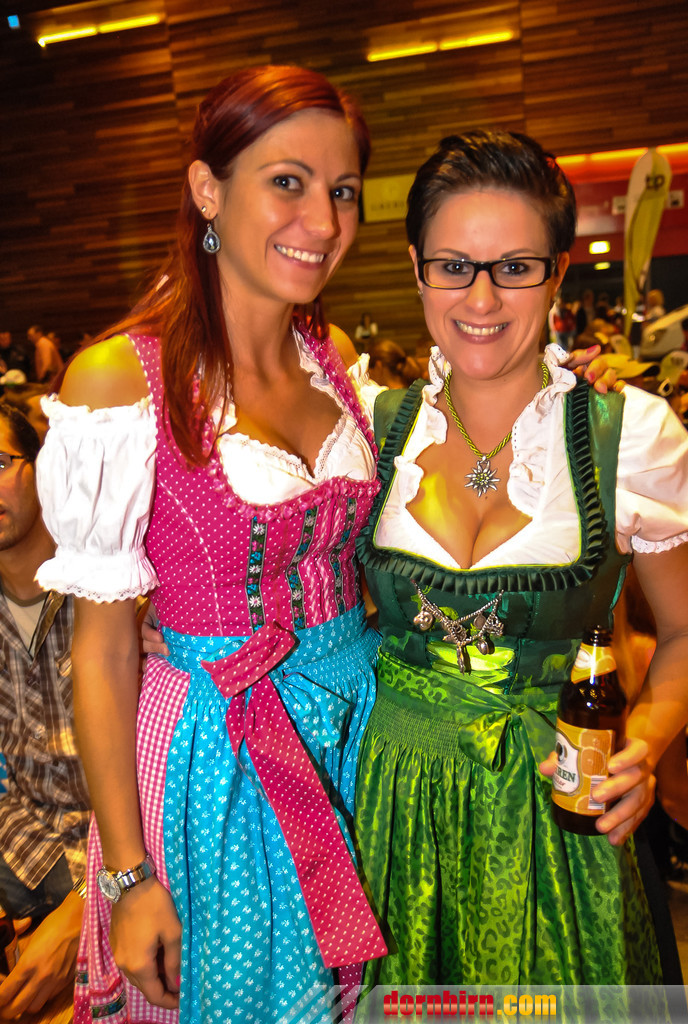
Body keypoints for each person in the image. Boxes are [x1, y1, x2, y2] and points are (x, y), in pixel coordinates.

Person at [34, 65, 389, 1024]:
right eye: (288, 182)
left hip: (358, 737)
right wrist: (126, 876)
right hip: (219, 763)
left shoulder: (334, 361)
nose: (323, 220)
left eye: (343, 190)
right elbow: (102, 653)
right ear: (206, 189)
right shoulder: (122, 379)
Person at [353, 128, 688, 989]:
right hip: (390, 813)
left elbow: (684, 631)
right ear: (418, 269)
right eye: (453, 265)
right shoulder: (366, 427)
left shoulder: (627, 437)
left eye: (514, 266)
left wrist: (644, 748)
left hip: (557, 814)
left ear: (558, 271)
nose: (482, 296)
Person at [0, 404, 90, 1019]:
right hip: (27, 843)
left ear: (42, 467)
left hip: (132, 852)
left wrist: (89, 905)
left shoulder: (111, 584)